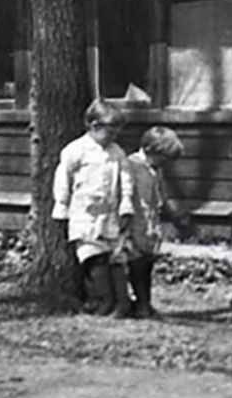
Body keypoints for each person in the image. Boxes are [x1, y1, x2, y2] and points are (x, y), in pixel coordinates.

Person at [51, 99, 134, 317]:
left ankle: (123, 301)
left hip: (110, 213)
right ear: (94, 126)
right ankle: (104, 299)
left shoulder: (116, 152)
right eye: (109, 131)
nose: (113, 137)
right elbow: (63, 178)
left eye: (116, 132)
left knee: (115, 256)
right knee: (93, 257)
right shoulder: (76, 150)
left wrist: (126, 204)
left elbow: (126, 179)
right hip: (85, 214)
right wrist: (61, 206)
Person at [124, 125, 187, 319]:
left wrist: (174, 215)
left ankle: (146, 303)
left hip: (150, 224)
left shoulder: (155, 169)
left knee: (148, 265)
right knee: (137, 265)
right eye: (164, 159)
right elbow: (125, 195)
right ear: (150, 150)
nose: (165, 164)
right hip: (134, 223)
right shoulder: (131, 166)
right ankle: (139, 304)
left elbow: (162, 195)